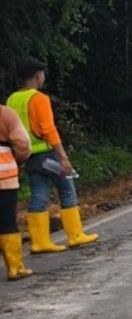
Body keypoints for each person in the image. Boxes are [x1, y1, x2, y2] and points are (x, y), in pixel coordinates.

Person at [6, 58, 97, 254]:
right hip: (47, 155)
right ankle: (75, 235)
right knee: (66, 188)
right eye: (43, 74)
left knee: (38, 193)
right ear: (38, 75)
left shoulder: (12, 99)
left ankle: (39, 242)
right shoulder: (39, 99)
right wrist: (63, 157)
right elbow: (48, 129)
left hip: (27, 156)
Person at [0, 98, 33, 279]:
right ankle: (15, 268)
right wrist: (17, 160)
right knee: (7, 222)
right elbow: (22, 144)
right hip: (4, 177)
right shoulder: (5, 113)